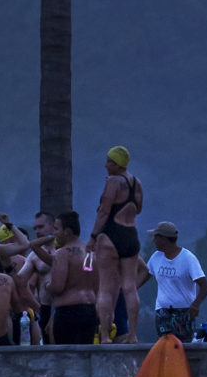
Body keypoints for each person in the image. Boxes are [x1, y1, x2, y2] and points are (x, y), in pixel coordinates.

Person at [92, 147, 144, 344]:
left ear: (116, 163)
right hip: (130, 234)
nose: (106, 165)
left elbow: (104, 212)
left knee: (105, 287)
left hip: (111, 233)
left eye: (108, 162)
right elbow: (138, 209)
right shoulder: (135, 182)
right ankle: (133, 334)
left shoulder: (113, 182)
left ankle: (105, 335)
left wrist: (92, 237)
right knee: (129, 287)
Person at [147, 223, 207, 341]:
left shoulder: (188, 258)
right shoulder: (156, 257)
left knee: (183, 347)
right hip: (163, 312)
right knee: (165, 346)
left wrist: (196, 304)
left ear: (164, 239)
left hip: (184, 312)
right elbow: (143, 276)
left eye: (156, 237)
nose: (154, 240)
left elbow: (205, 286)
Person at [46, 211, 98, 346]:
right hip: (90, 311)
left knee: (67, 358)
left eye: (56, 229)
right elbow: (97, 285)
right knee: (85, 357)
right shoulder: (90, 253)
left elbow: (58, 286)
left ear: (67, 232)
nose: (54, 233)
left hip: (68, 313)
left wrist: (47, 285)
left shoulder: (62, 253)